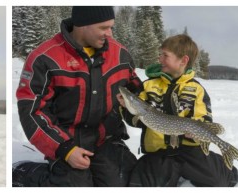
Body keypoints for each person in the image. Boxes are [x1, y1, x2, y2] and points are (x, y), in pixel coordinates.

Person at [13, 6, 142, 187]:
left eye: (111, 27)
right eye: (104, 28)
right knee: (76, 185)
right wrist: (64, 149)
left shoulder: (121, 55)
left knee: (123, 182)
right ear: (82, 25)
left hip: (106, 138)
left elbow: (136, 90)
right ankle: (27, 173)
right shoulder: (44, 58)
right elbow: (32, 111)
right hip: (67, 141)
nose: (110, 34)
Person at [116, 34, 238, 187]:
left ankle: (224, 164)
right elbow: (136, 121)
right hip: (159, 153)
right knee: (141, 184)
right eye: (160, 55)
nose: (159, 59)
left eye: (165, 55)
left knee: (219, 181)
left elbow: (205, 120)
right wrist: (126, 106)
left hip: (190, 152)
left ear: (183, 60)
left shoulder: (197, 90)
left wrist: (196, 135)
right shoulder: (148, 86)